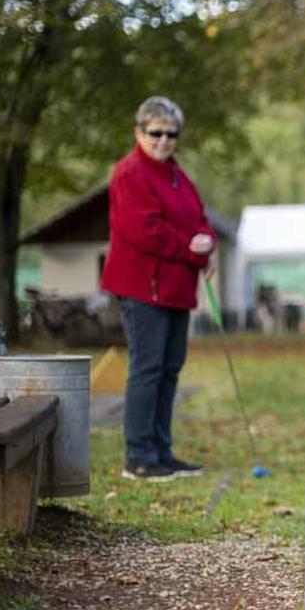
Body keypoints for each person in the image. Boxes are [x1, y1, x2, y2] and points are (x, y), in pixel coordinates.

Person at [101, 96, 214, 481]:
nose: (163, 140)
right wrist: (190, 248)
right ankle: (139, 455)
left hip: (177, 288)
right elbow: (144, 230)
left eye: (171, 133)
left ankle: (162, 451)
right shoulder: (129, 173)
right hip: (142, 287)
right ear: (139, 132)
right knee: (147, 368)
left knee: (170, 369)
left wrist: (206, 244)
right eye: (156, 132)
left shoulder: (179, 177)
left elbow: (200, 220)